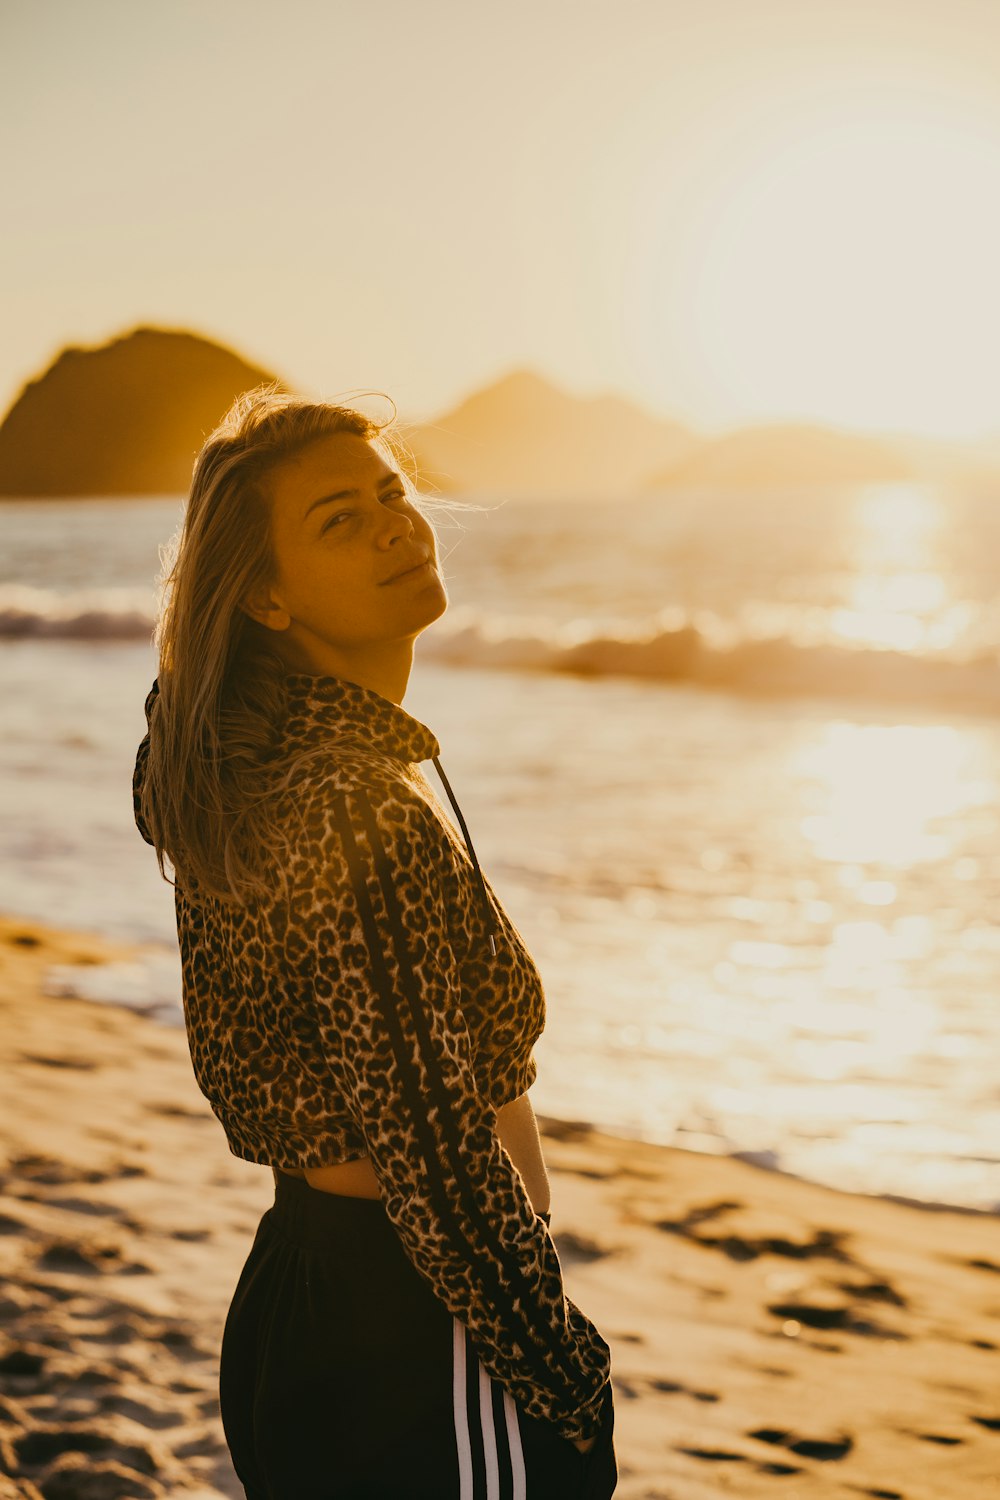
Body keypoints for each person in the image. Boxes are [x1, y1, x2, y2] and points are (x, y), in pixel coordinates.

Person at [132, 385, 618, 1499]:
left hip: (308, 1293)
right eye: (338, 520)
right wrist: (566, 1372)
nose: (396, 523)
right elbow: (437, 1164)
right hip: (425, 1330)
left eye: (392, 493)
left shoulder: (249, 768)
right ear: (261, 593)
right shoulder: (353, 806)